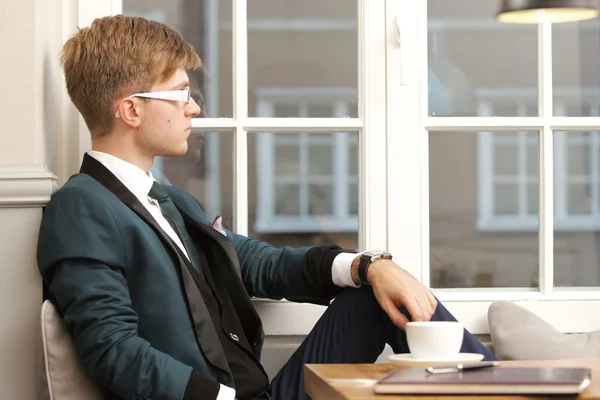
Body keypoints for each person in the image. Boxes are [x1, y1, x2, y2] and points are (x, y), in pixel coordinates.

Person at [37, 15, 496, 400]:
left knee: (371, 297)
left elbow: (260, 261)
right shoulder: (81, 207)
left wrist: (368, 265)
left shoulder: (170, 200)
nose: (194, 107)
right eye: (180, 96)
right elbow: (112, 349)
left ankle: (505, 387)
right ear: (131, 110)